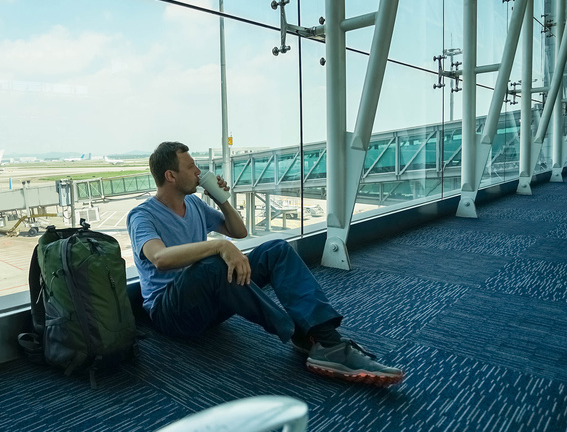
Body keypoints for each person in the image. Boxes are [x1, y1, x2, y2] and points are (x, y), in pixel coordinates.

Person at [127, 141, 403, 386]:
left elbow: (238, 232)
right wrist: (219, 246)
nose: (198, 172)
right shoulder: (142, 216)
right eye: (191, 167)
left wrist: (221, 200)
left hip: (209, 305)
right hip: (172, 314)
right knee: (213, 263)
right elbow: (159, 258)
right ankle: (301, 335)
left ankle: (325, 337)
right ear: (171, 175)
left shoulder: (195, 205)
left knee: (276, 249)